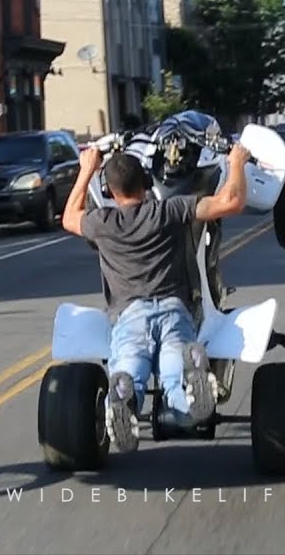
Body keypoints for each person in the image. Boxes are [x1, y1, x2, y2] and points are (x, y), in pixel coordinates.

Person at [61, 140, 251, 453]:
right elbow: (231, 202)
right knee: (175, 386)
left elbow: (69, 217)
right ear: (146, 183)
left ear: (109, 191)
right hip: (174, 313)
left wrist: (86, 170)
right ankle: (191, 391)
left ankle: (122, 396)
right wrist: (236, 163)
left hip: (130, 320)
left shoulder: (102, 223)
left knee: (129, 376)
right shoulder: (170, 211)